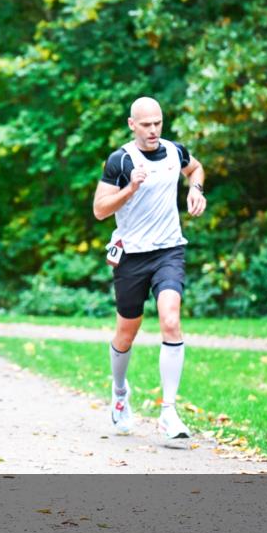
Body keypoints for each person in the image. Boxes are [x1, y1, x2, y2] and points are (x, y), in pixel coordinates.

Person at [93, 96, 207, 444]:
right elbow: (99, 209)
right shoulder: (121, 160)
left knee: (170, 319)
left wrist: (196, 189)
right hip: (132, 256)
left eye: (158, 122)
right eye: (146, 124)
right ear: (132, 125)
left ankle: (168, 411)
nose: (153, 130)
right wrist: (130, 188)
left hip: (169, 250)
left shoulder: (175, 151)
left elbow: (196, 168)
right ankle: (119, 392)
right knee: (126, 334)